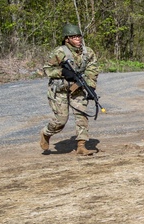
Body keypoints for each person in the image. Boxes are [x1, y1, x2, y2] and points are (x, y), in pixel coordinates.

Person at [38, 23, 100, 156]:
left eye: (79, 36)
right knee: (61, 120)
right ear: (67, 39)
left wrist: (90, 86)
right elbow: (47, 69)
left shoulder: (87, 52)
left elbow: (92, 69)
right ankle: (46, 133)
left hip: (77, 89)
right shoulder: (60, 52)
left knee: (81, 115)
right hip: (60, 90)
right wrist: (63, 72)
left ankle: (81, 146)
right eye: (74, 37)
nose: (78, 39)